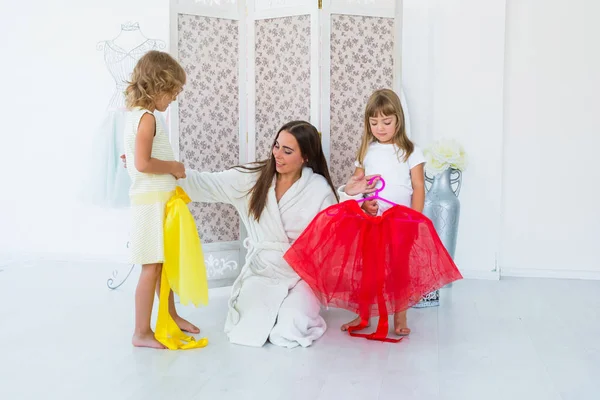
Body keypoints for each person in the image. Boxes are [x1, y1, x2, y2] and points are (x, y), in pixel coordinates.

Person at [176, 121, 340, 348]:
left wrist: (351, 198)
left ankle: (295, 309)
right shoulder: (254, 179)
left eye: (287, 150)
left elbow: (336, 231)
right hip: (263, 270)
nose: (277, 155)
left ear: (305, 157)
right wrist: (160, 170)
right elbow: (207, 183)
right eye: (276, 146)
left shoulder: (318, 189)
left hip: (303, 275)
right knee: (249, 327)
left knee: (288, 328)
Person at [124, 50, 205, 349]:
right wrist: (173, 167)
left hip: (158, 201)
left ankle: (169, 315)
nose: (173, 99)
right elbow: (143, 163)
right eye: (172, 93)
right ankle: (141, 332)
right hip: (151, 204)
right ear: (157, 86)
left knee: (163, 264)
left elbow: (133, 159)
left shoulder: (138, 117)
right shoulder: (147, 119)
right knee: (152, 267)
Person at [338, 88, 427, 337]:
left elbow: (418, 186)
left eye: (386, 122)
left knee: (399, 267)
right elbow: (356, 185)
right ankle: (364, 314)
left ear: (398, 119)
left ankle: (400, 314)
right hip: (372, 219)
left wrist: (415, 218)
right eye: (374, 122)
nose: (380, 127)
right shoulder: (366, 152)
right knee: (368, 268)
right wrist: (363, 203)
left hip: (401, 220)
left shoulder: (410, 151)